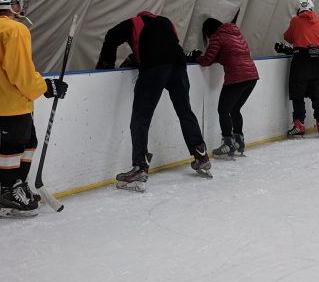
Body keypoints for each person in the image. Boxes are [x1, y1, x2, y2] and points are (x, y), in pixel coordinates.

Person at [0, 0, 67, 218]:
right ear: (12, 2)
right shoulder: (15, 30)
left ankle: (19, 185)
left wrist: (43, 86)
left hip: (2, 97)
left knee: (29, 142)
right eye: (19, 0)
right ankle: (9, 192)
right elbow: (21, 72)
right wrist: (45, 87)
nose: (22, 4)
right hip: (12, 99)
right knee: (14, 146)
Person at [96, 10, 211, 187]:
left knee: (141, 118)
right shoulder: (166, 22)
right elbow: (166, 44)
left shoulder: (133, 23)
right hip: (178, 66)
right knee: (185, 111)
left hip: (154, 68)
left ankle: (140, 166)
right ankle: (201, 155)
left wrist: (106, 65)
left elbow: (111, 35)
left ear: (140, 16)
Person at [196, 17, 259, 158]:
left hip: (237, 77)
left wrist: (196, 57)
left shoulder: (217, 37)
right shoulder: (237, 35)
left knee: (223, 110)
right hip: (252, 76)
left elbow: (207, 60)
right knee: (235, 109)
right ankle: (239, 141)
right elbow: (231, 54)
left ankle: (228, 143)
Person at [275, 0, 319, 137]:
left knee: (297, 92)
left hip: (301, 61)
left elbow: (288, 37)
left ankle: (299, 124)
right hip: (318, 61)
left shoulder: (296, 20)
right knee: (317, 92)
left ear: (298, 9)